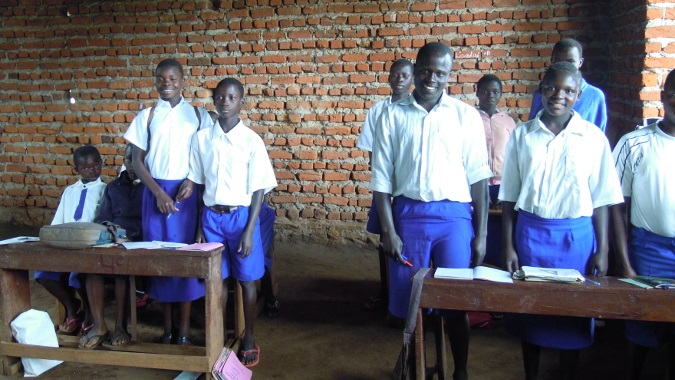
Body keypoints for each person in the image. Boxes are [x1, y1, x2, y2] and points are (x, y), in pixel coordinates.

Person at [370, 42, 491, 380]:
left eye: (440, 73)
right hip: (407, 216)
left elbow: (479, 177)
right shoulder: (392, 115)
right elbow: (381, 178)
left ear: (450, 75)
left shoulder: (464, 116)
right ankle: (416, 367)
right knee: (412, 303)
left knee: (454, 300)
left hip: (454, 218)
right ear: (415, 69)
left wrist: (480, 235)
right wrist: (389, 231)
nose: (431, 79)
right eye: (426, 71)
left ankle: (461, 370)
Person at [499, 62, 624, 380]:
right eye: (552, 88)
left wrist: (603, 249)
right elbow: (510, 197)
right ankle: (531, 375)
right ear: (541, 90)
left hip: (576, 238)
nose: (559, 95)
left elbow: (602, 200)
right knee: (531, 311)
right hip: (531, 235)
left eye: (569, 90)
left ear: (579, 95)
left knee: (573, 315)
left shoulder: (593, 138)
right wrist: (510, 245)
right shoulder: (523, 135)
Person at [189, 78, 277, 367]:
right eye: (220, 97)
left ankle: (249, 336)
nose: (224, 101)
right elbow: (200, 184)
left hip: (241, 218)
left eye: (231, 97)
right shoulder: (202, 139)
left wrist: (250, 231)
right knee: (218, 280)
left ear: (242, 102)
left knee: (247, 279)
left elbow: (259, 189)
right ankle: (218, 335)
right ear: (213, 101)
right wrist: (201, 225)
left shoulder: (251, 141)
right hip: (212, 217)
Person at [123, 58, 211, 345]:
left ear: (183, 81)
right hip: (155, 194)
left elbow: (204, 157)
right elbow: (136, 161)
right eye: (161, 78)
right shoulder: (147, 116)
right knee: (160, 260)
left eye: (172, 79)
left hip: (185, 196)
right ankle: (168, 329)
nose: (167, 84)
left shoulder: (197, 116)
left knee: (184, 262)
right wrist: (158, 193)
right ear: (155, 80)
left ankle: (184, 331)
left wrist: (192, 181)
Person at [611, 69, 675, 380]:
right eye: (673, 93)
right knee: (642, 329)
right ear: (663, 97)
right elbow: (616, 208)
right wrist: (625, 263)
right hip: (648, 249)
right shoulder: (634, 143)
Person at [356, 58, 414, 314]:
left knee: (409, 239)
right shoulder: (378, 111)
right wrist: (384, 181)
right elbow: (371, 153)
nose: (399, 79)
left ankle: (408, 293)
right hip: (386, 186)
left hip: (409, 186)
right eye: (395, 74)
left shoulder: (417, 110)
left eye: (405, 75)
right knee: (385, 238)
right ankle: (386, 290)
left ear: (412, 79)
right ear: (389, 78)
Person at [35, 145, 106, 337]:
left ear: (101, 164)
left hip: (90, 247)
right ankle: (72, 306)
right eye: (86, 168)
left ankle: (90, 313)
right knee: (42, 273)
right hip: (66, 244)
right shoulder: (69, 191)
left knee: (80, 273)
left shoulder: (105, 190)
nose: (92, 170)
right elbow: (57, 223)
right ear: (77, 170)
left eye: (96, 166)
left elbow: (103, 223)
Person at [79, 144, 144, 349]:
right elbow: (103, 218)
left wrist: (130, 238)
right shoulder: (113, 187)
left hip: (140, 243)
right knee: (93, 269)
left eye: (138, 159)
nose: (133, 164)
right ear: (123, 162)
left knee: (119, 270)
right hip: (114, 240)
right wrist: (113, 233)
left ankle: (120, 327)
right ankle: (99, 326)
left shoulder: (152, 188)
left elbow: (152, 222)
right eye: (128, 159)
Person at [475, 74, 518, 267]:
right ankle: (478, 261)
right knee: (478, 222)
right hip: (478, 184)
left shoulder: (508, 122)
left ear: (501, 94)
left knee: (500, 225)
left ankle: (497, 261)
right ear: (477, 93)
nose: (490, 96)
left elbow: (515, 155)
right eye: (485, 91)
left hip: (502, 185)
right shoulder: (471, 119)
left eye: (495, 92)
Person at [528, 38, 608, 132]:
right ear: (552, 61)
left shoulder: (595, 96)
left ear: (580, 62)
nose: (564, 66)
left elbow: (599, 133)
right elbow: (531, 129)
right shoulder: (541, 94)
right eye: (558, 61)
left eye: (570, 62)